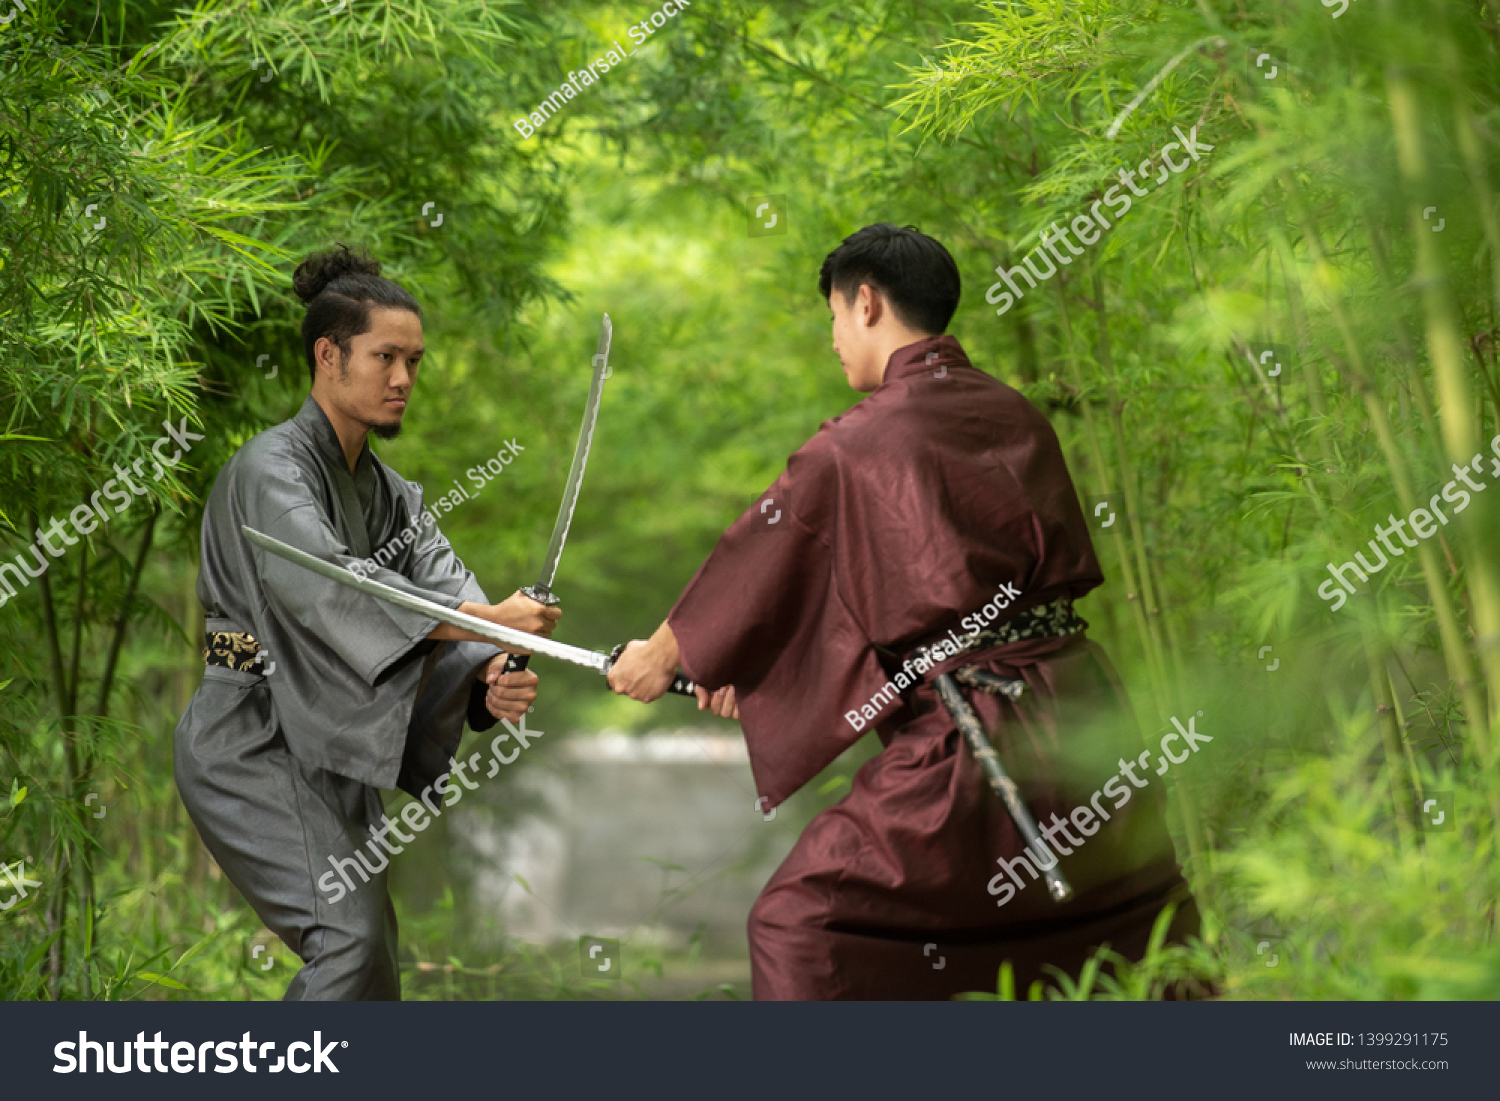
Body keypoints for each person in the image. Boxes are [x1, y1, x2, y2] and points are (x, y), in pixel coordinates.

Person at [608, 223, 1199, 1000]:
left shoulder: (855, 445)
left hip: (980, 733)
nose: (832, 339)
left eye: (831, 318)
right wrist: (751, 678)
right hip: (1090, 712)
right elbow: (918, 596)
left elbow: (766, 557)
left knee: (801, 923)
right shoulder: (1016, 414)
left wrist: (665, 653)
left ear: (865, 301)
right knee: (1114, 926)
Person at [174, 245, 560, 1000]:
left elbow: (449, 590)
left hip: (337, 734)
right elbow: (331, 589)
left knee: (371, 961)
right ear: (328, 355)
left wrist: (490, 670)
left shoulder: (393, 494)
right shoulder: (267, 471)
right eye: (386, 357)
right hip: (251, 733)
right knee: (345, 940)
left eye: (414, 361)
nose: (404, 379)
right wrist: (491, 623)